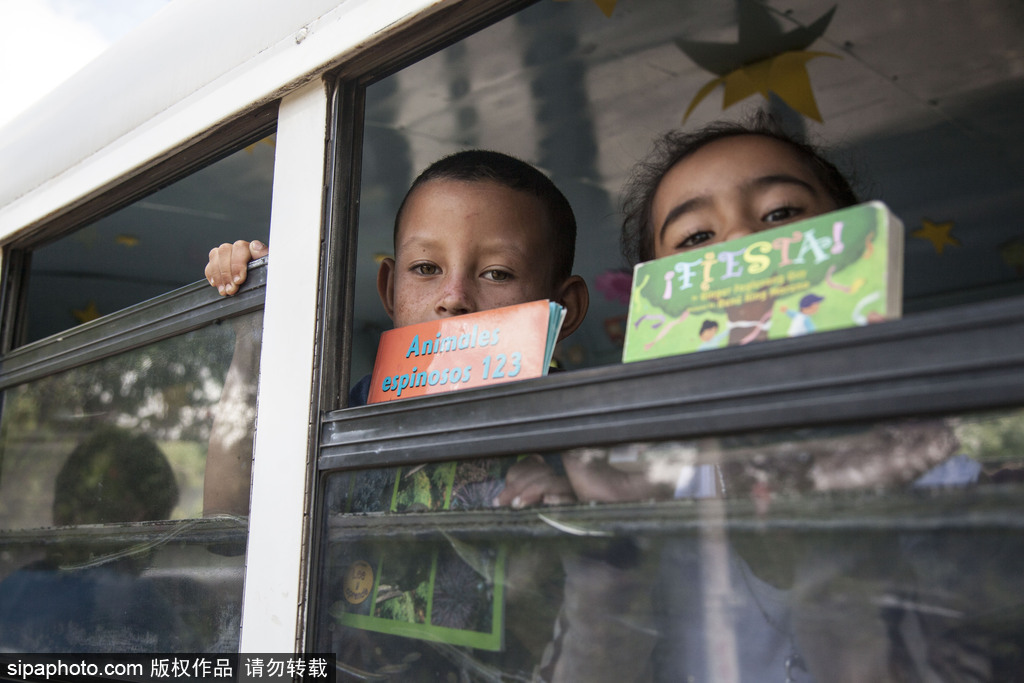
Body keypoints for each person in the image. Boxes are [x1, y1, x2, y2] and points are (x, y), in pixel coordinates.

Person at [203, 150, 590, 514]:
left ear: (565, 308)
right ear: (390, 290)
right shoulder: (363, 406)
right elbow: (229, 516)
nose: (454, 298)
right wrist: (255, 325)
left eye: (497, 273)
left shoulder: (582, 421)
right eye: (426, 268)